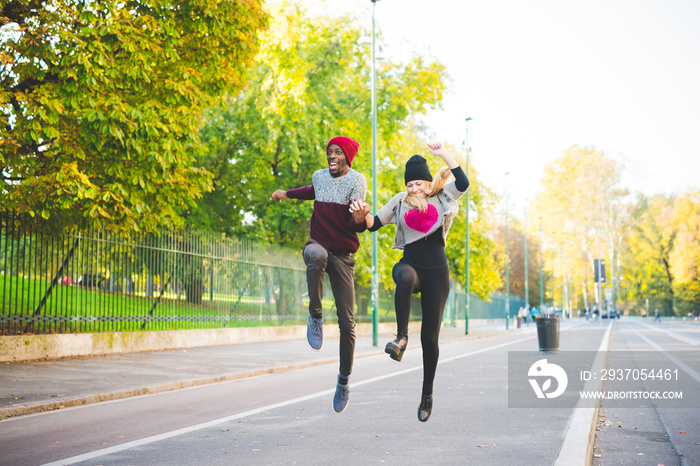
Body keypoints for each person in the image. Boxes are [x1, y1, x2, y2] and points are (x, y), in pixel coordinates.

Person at [350, 141, 469, 422]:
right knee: (402, 275)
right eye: (410, 184)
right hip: (411, 265)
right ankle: (401, 337)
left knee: (430, 339)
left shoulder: (442, 198)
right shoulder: (398, 202)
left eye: (419, 183)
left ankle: (427, 394)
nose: (414, 189)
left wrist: (442, 154)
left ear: (428, 183)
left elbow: (462, 181)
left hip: (438, 274)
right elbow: (373, 224)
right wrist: (360, 214)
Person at [270, 136, 367, 414]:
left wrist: (360, 219)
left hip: (344, 255)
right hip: (319, 245)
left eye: (338, 153)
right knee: (317, 255)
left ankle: (344, 380)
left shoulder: (356, 181)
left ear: (347, 157)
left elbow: (354, 224)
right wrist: (285, 193)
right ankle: (315, 315)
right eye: (329, 152)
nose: (332, 156)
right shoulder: (320, 176)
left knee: (348, 323)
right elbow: (312, 190)